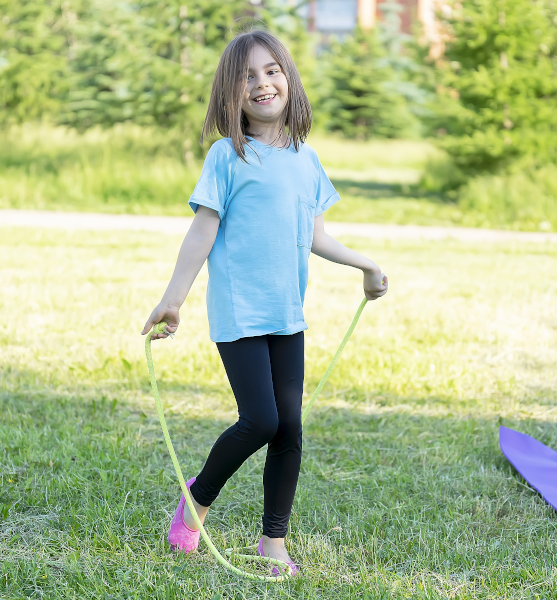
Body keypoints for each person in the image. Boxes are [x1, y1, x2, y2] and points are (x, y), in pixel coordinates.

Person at [141, 29, 388, 576]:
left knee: (290, 429)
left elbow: (316, 236)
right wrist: (173, 300)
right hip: (239, 313)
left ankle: (272, 542)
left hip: (286, 314)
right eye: (247, 76)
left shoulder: (306, 160)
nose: (262, 83)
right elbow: (201, 233)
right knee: (260, 421)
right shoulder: (227, 157)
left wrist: (366, 265)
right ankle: (198, 500)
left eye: (271, 71)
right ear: (232, 94)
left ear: (289, 79)